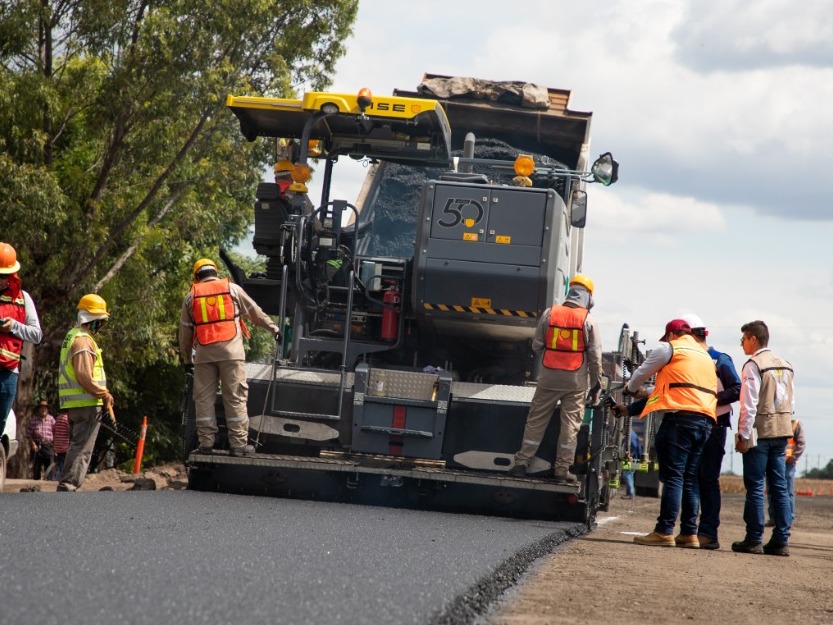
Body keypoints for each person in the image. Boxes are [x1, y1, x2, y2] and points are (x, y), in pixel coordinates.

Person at [628, 319, 717, 547]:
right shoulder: (703, 354)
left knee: (673, 476)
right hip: (705, 420)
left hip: (680, 420)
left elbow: (641, 372)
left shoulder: (669, 348)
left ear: (673, 334)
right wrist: (645, 394)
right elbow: (679, 385)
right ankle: (689, 532)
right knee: (688, 478)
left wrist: (630, 389)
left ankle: (664, 530)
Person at [179, 258, 281, 456]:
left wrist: (186, 360)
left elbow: (184, 334)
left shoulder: (191, 297)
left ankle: (206, 444)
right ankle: (238, 445)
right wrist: (274, 328)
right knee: (235, 397)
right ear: (215, 272)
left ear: (197, 276)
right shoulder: (232, 289)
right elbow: (254, 312)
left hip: (204, 355)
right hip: (231, 354)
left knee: (204, 400)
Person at [508, 274, 602, 484]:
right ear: (588, 297)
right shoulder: (589, 320)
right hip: (575, 382)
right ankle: (561, 470)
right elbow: (595, 358)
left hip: (548, 378)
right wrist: (596, 385)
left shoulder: (550, 313)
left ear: (570, 291)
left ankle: (521, 464)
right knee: (570, 425)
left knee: (536, 420)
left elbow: (536, 346)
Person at [732, 320, 795, 556]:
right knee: (779, 487)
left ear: (753, 339)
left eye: (743, 339)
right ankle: (781, 539)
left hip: (760, 432)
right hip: (782, 430)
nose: (741, 344)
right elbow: (791, 401)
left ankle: (754, 538)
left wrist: (743, 435)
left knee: (756, 486)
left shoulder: (753, 365)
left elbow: (749, 405)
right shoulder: (786, 365)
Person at [679, 313, 741, 550]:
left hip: (714, 426)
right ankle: (692, 532)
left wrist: (710, 397)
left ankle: (708, 533)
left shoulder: (719, 359)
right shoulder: (693, 359)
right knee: (692, 478)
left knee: (706, 479)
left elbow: (737, 388)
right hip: (697, 423)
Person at [57, 294, 115, 492]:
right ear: (93, 319)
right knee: (82, 447)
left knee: (77, 444)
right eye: (101, 321)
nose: (102, 325)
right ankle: (69, 484)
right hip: (86, 403)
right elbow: (84, 375)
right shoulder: (82, 341)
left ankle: (68, 483)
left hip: (76, 403)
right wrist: (103, 393)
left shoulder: (72, 335)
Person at [0, 242, 43, 436]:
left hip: (8, 373)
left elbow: (36, 334)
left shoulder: (23, 299)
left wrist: (14, 326)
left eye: (4, 275)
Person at [767, 418, 806, 528]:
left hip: (788, 462)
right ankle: (773, 518)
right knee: (771, 490)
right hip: (773, 461)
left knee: (787, 491)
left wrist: (793, 458)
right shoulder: (773, 421)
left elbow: (801, 443)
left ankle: (789, 519)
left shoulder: (795, 424)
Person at [27, 399, 56, 479]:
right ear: (38, 409)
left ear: (47, 409)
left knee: (50, 471)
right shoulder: (34, 420)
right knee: (36, 470)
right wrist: (33, 444)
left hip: (49, 446)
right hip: (37, 447)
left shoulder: (51, 419)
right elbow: (28, 434)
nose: (43, 410)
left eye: (45, 408)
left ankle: (49, 487)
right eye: (41, 408)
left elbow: (56, 432)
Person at [621, 429, 643, 499]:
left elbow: (634, 446)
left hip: (633, 459)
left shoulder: (631, 435)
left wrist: (630, 455)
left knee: (627, 474)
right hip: (635, 458)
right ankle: (629, 493)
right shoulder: (632, 434)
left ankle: (631, 493)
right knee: (630, 475)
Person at [52, 411, 70, 481]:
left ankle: (55, 477)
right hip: (65, 446)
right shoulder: (67, 418)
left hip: (57, 446)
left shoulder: (58, 418)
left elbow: (54, 430)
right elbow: (70, 431)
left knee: (59, 463)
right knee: (63, 464)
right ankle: (59, 478)